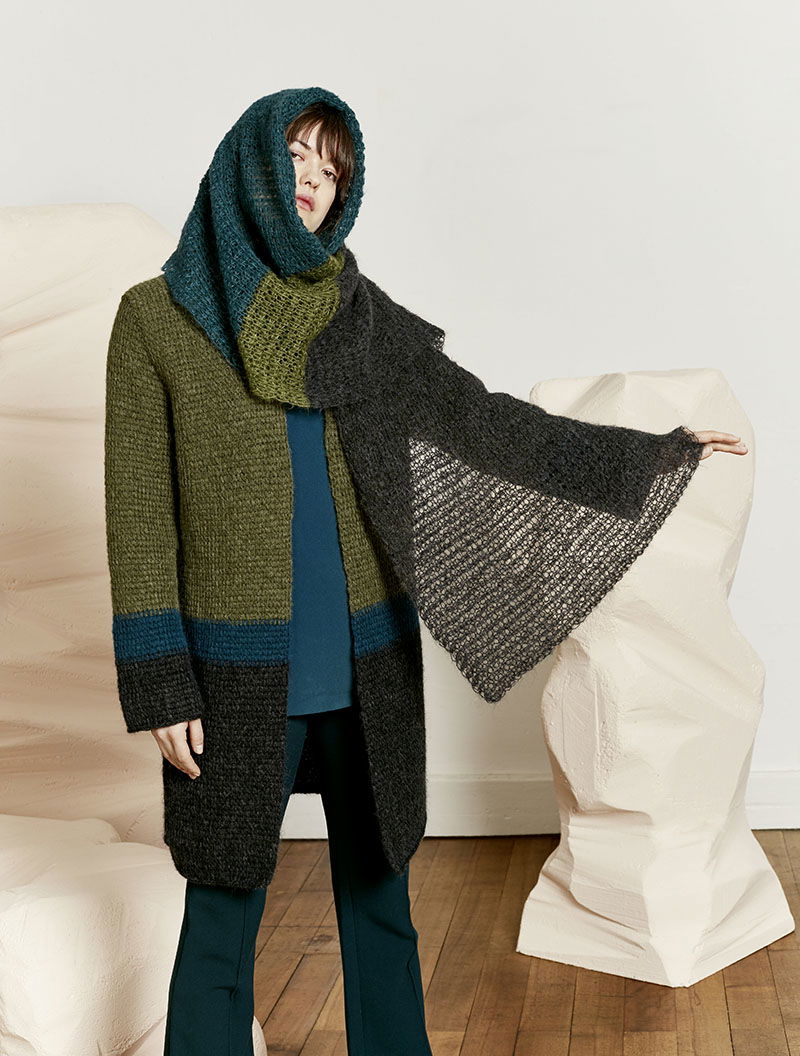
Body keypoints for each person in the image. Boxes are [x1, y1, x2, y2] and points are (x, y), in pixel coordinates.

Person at [103, 87, 746, 1056]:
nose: (314, 180)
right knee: (223, 906)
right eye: (297, 155)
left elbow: (487, 423)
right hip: (233, 672)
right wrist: (159, 682)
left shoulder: (360, 320)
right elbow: (138, 513)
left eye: (332, 168)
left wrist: (648, 454)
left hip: (367, 662)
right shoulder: (157, 320)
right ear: (247, 164)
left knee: (380, 900)